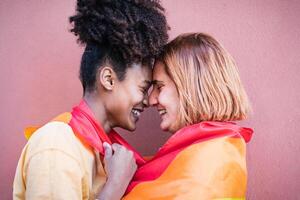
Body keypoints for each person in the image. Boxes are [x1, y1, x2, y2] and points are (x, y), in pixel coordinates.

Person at [13, 0, 168, 199]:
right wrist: (115, 184)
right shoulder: (57, 143)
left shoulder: (102, 151)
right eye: (143, 88)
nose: (147, 101)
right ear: (109, 79)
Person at [123, 33, 253, 199]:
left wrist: (114, 187)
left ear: (188, 87)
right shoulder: (216, 147)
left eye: (159, 87)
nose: (150, 100)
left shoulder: (205, 163)